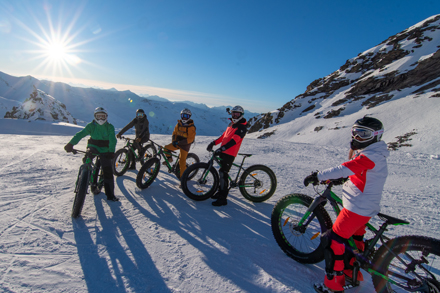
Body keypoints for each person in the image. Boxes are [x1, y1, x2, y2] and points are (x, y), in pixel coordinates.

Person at [303, 116, 389, 293]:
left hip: (357, 208)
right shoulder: (374, 153)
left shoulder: (370, 156)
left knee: (332, 240)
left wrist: (317, 175)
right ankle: (352, 272)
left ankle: (333, 285)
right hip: (364, 206)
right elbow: (359, 173)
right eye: (355, 133)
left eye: (363, 134)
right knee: (354, 239)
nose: (357, 138)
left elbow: (345, 167)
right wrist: (346, 178)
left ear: (376, 135)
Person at [64, 107, 119, 201]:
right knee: (87, 159)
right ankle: (86, 174)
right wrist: (71, 144)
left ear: (106, 117)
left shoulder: (110, 127)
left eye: (103, 116)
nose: (101, 119)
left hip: (105, 150)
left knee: (108, 171)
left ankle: (110, 195)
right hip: (93, 147)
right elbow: (81, 134)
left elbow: (112, 140)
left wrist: (111, 151)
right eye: (98, 116)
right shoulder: (91, 126)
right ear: (95, 117)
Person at [206, 105, 247, 206]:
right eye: (233, 113)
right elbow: (224, 136)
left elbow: (234, 141)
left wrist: (222, 149)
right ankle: (220, 192)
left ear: (241, 115)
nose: (235, 115)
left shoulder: (242, 126)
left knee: (223, 173)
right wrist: (213, 143)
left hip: (230, 153)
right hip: (224, 151)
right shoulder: (231, 124)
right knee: (221, 172)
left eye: (237, 114)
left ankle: (223, 198)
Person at [163, 108, 196, 176]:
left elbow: (190, 139)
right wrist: (174, 141)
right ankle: (170, 159)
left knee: (182, 161)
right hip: (177, 143)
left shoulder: (191, 127)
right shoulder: (179, 124)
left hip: (185, 146)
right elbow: (174, 133)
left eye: (186, 116)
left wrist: (178, 142)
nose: (184, 117)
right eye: (183, 115)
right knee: (166, 148)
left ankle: (182, 179)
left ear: (189, 117)